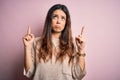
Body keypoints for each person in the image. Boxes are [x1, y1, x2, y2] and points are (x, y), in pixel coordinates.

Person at [22, 4, 86, 80]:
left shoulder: (73, 44)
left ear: (66, 23)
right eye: (55, 17)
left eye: (63, 18)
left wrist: (81, 50)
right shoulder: (36, 42)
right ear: (49, 20)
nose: (58, 21)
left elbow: (79, 75)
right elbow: (29, 72)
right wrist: (27, 47)